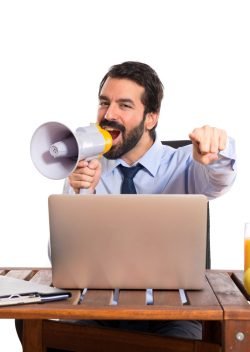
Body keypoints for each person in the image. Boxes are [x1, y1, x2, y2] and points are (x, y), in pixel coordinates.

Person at [16, 61, 236, 347]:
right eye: (104, 103)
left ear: (151, 118)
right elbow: (63, 259)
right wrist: (83, 196)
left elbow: (219, 179)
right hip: (95, 313)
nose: (109, 114)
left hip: (171, 318)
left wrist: (219, 147)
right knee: (37, 329)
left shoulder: (185, 163)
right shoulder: (86, 169)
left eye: (125, 105)